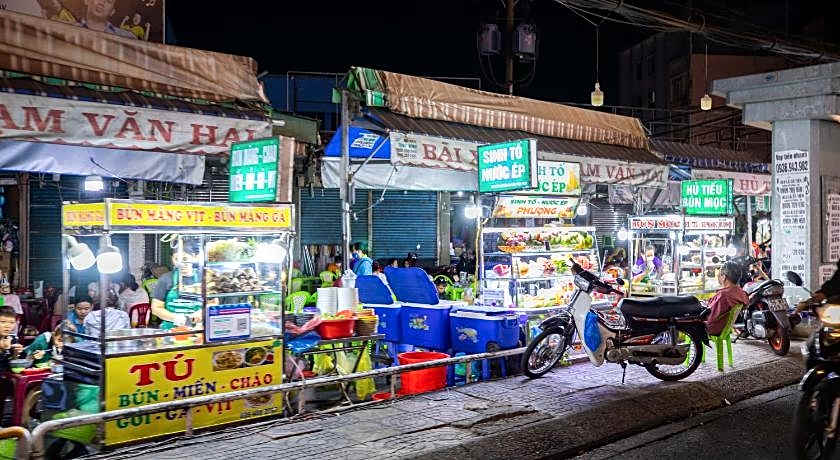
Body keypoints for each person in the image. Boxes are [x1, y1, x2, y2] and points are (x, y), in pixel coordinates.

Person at [151, 254, 203, 330]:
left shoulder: (204, 277)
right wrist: (177, 318)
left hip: (199, 329)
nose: (181, 263)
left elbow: (213, 302)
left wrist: (202, 313)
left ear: (194, 257)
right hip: (171, 329)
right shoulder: (165, 279)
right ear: (173, 260)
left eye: (185, 259)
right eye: (177, 259)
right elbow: (156, 308)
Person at [705, 262, 749, 336]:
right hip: (726, 327)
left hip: (714, 328)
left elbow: (711, 317)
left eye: (719, 275)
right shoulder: (741, 292)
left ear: (724, 277)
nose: (718, 277)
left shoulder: (723, 295)